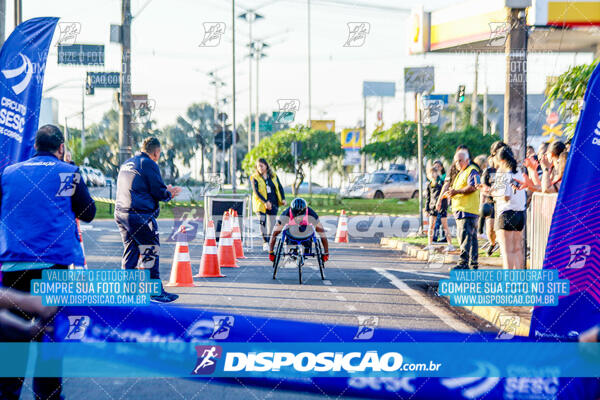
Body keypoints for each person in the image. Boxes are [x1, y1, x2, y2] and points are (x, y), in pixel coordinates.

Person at [0, 124, 96, 400]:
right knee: (50, 337)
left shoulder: (9, 173)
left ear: (35, 147)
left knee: (11, 340)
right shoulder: (68, 173)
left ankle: (7, 394)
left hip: (14, 266)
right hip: (55, 269)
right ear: (61, 148)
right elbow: (88, 212)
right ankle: (49, 396)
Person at [115, 137, 182, 303]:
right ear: (156, 152)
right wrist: (169, 193)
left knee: (131, 250)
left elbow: (140, 187)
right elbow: (158, 191)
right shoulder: (149, 163)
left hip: (122, 213)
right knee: (150, 249)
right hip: (140, 214)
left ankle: (128, 291)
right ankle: (155, 291)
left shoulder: (128, 162)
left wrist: (162, 191)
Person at [443, 148, 481, 270]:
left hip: (468, 211)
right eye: (456, 161)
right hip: (462, 211)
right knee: (470, 238)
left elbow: (473, 187)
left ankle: (463, 263)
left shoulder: (472, 170)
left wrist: (456, 191)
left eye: (460, 160)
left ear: (467, 160)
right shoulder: (461, 173)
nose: (457, 163)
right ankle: (472, 263)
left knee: (465, 238)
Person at [492, 146, 527, 270]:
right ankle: (519, 281)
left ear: (500, 159)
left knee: (507, 251)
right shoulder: (519, 172)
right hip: (520, 213)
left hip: (506, 213)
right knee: (517, 249)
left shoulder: (502, 173)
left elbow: (505, 196)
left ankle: (508, 282)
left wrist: (492, 192)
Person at [268, 198, 329, 262]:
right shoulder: (286, 214)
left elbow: (322, 234)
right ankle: (292, 250)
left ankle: (304, 249)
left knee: (312, 231)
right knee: (284, 231)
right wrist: (271, 252)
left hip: (306, 236)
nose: (299, 217)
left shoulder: (311, 214)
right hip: (291, 236)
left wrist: (326, 253)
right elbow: (274, 233)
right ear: (292, 211)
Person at [251, 158, 286, 251]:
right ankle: (265, 242)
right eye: (258, 166)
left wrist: (283, 198)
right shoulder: (255, 177)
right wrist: (265, 202)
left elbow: (280, 187)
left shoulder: (273, 176)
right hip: (261, 203)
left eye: (261, 166)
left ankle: (270, 240)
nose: (260, 168)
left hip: (273, 202)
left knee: (272, 222)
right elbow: (256, 192)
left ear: (266, 166)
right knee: (262, 221)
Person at [423, 166, 454, 252]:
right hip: (432, 207)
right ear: (428, 175)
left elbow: (444, 194)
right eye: (430, 173)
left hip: (442, 207)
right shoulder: (429, 185)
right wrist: (427, 209)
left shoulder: (441, 182)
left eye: (434, 172)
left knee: (445, 226)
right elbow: (428, 198)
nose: (432, 175)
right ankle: (430, 244)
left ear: (437, 173)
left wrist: (443, 205)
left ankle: (450, 245)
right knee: (431, 226)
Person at [479, 156, 499, 256]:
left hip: (502, 202)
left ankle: (502, 247)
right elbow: (483, 186)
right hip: (491, 201)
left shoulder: (504, 170)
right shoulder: (488, 171)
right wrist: (490, 191)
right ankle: (492, 243)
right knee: (490, 228)